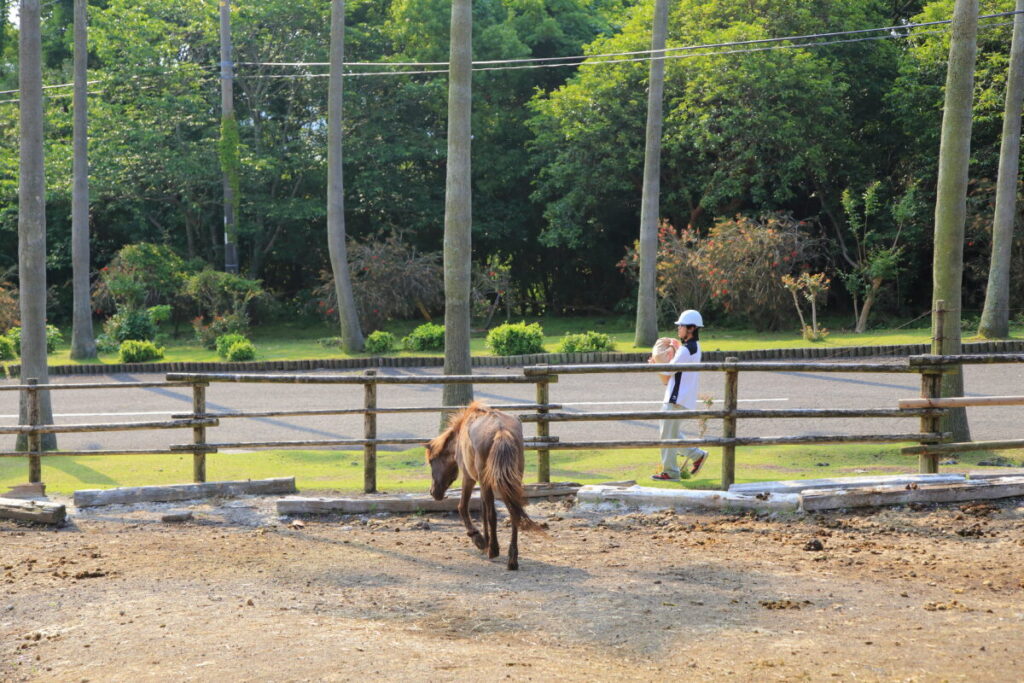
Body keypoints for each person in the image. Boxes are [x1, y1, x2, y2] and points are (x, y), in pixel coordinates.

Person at [650, 309, 709, 481]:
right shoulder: (695, 348)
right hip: (682, 397)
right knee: (670, 434)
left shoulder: (685, 350)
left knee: (667, 436)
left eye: (681, 326)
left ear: (691, 328)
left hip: (676, 398)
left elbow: (668, 370)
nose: (678, 329)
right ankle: (697, 455)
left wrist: (656, 363)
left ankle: (671, 472)